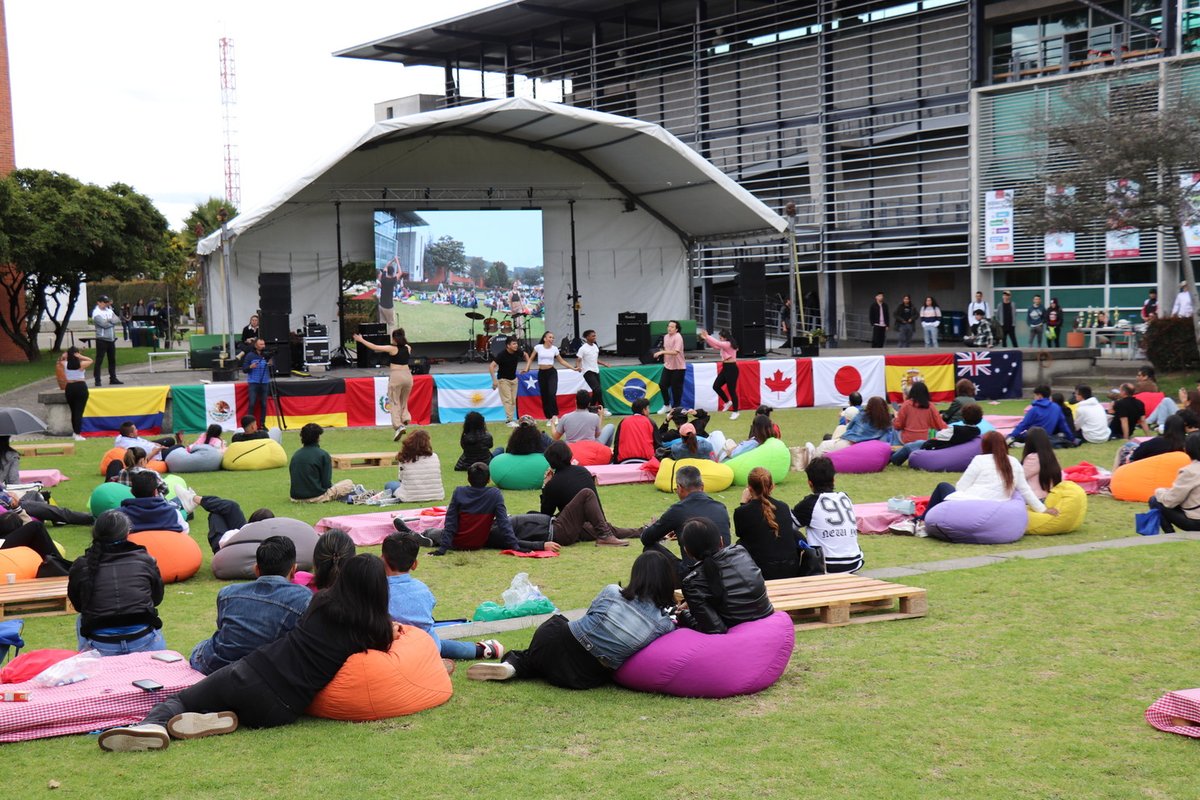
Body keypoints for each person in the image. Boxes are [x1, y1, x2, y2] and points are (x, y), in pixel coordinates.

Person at [98, 554, 396, 751]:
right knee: (228, 703)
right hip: (281, 711)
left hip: (253, 673)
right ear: (379, 589)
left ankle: (153, 727)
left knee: (182, 699)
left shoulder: (321, 603)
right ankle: (222, 719)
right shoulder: (375, 630)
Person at [466, 551, 676, 687]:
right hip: (584, 676)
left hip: (555, 641)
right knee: (550, 658)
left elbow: (590, 617)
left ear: (636, 574)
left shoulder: (612, 592)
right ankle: (514, 667)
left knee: (557, 627)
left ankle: (512, 666)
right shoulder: (664, 624)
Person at [189, 537, 313, 675]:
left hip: (218, 666)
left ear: (256, 569)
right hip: (265, 672)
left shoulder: (228, 593)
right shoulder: (304, 598)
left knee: (202, 647)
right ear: (293, 570)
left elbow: (223, 630)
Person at [381, 532, 504, 662]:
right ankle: (481, 650)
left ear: (381, 559)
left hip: (397, 651)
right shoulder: (421, 588)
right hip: (430, 646)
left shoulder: (377, 590)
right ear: (414, 564)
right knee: (436, 640)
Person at [912, 431, 1056, 537]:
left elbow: (961, 487)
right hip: (995, 507)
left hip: (972, 504)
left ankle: (920, 520)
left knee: (943, 486)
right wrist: (1042, 509)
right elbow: (1025, 491)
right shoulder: (1013, 462)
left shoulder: (979, 460)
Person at [68, 510, 165, 656]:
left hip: (100, 643)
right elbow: (156, 598)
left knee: (81, 619)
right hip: (144, 639)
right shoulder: (145, 559)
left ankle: (86, 656)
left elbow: (79, 605)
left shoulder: (81, 565)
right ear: (127, 532)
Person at [428, 463, 556, 554]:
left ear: (468, 478)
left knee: (430, 531)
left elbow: (450, 522)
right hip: (478, 543)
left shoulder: (459, 492)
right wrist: (516, 546)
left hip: (457, 542)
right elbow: (503, 524)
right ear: (488, 479)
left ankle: (421, 536)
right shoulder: (494, 494)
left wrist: (443, 549)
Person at [674, 517, 773, 634]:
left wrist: (684, 616)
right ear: (721, 541)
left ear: (687, 551)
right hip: (769, 621)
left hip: (740, 638)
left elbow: (715, 629)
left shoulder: (692, 582)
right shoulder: (740, 552)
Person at [639, 464, 731, 579]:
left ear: (679, 487)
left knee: (650, 549)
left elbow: (646, 538)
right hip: (725, 570)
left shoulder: (678, 511)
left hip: (694, 574)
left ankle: (660, 592)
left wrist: (652, 527)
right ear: (702, 487)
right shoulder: (721, 508)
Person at [538, 441, 635, 547]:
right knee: (607, 528)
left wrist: (545, 487)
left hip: (577, 528)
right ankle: (641, 531)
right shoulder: (583, 471)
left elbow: (546, 516)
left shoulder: (553, 484)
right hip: (598, 521)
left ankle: (611, 534)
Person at [792, 456, 864, 573]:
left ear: (810, 483)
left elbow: (788, 526)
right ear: (833, 480)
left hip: (828, 564)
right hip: (855, 561)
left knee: (793, 534)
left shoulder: (810, 503)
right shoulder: (845, 497)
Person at [733, 467, 800, 580]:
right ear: (772, 486)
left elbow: (741, 534)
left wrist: (743, 503)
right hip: (790, 568)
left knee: (740, 543)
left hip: (761, 572)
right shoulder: (783, 507)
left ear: (749, 488)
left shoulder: (742, 512)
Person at [353, 328, 413, 441]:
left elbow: (375, 347)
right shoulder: (408, 348)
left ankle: (398, 426)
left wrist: (361, 340)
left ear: (395, 339)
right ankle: (406, 417)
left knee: (394, 401)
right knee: (404, 400)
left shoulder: (392, 349)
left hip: (397, 376)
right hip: (408, 376)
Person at [1148, 431, 1200, 533]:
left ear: (1187, 449)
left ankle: (1170, 534)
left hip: (1196, 521)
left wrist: (1159, 491)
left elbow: (1170, 501)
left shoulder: (1189, 471)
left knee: (1155, 500)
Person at [289, 423, 354, 503]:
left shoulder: (296, 455)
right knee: (348, 483)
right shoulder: (323, 455)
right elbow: (326, 484)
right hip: (317, 497)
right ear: (318, 438)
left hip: (295, 498)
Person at [524, 331, 573, 425]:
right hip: (542, 373)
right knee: (544, 395)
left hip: (551, 372)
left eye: (553, 338)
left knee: (551, 393)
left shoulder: (554, 349)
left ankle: (555, 415)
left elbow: (561, 361)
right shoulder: (538, 348)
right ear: (545, 338)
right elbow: (530, 358)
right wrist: (526, 368)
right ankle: (549, 417)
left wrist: (573, 368)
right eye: (550, 337)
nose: (552, 339)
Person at [384, 429, 444, 503]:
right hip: (437, 495)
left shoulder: (405, 458)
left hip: (409, 497)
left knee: (390, 485)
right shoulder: (434, 456)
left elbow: (401, 478)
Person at [120, 471, 187, 534]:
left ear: (132, 491)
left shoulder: (119, 515)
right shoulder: (173, 513)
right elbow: (185, 531)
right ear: (155, 492)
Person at [1008, 385, 1076, 445]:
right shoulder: (1056, 407)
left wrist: (1011, 436)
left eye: (1035, 395)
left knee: (1019, 437)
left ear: (1039, 395)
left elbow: (1023, 425)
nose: (1034, 397)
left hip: (1032, 437)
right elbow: (1063, 425)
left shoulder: (1034, 409)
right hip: (1048, 437)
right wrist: (1071, 438)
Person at [698, 327, 740, 419]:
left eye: (721, 337)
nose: (719, 339)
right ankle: (727, 402)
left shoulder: (728, 344)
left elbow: (718, 343)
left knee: (732, 390)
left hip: (732, 368)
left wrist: (707, 336)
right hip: (725, 368)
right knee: (716, 386)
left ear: (725, 337)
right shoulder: (724, 344)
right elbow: (715, 346)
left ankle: (736, 411)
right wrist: (706, 338)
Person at [610, 397, 661, 463]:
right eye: (648, 408)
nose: (649, 411)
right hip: (646, 461)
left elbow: (617, 444)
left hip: (624, 461)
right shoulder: (650, 422)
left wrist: (616, 463)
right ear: (644, 410)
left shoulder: (624, 421)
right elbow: (658, 445)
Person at [58, 347, 93, 441]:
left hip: (70, 387)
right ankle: (78, 433)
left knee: (73, 411)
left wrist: (64, 356)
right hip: (80, 386)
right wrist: (80, 356)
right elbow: (90, 360)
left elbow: (60, 360)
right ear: (76, 354)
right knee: (79, 412)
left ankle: (75, 432)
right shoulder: (81, 364)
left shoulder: (65, 364)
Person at [1020, 427, 1063, 500]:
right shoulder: (1052, 456)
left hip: (1035, 498)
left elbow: (1019, 477)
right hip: (1051, 496)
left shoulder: (1033, 458)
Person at [489, 336, 523, 427]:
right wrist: (494, 380)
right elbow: (491, 366)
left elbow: (526, 355)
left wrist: (527, 367)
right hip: (503, 380)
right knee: (507, 400)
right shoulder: (501, 355)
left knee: (512, 400)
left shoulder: (517, 352)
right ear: (508, 345)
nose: (516, 345)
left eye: (516, 343)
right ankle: (509, 420)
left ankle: (511, 419)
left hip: (514, 380)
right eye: (514, 344)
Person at [575, 328, 611, 414]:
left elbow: (595, 360)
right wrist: (578, 367)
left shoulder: (595, 346)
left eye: (595, 335)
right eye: (593, 336)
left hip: (596, 371)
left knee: (596, 391)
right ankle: (603, 409)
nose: (595, 337)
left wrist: (604, 364)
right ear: (587, 337)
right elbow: (578, 359)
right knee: (598, 389)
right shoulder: (583, 348)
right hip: (587, 371)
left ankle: (590, 408)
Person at [654, 320, 686, 414]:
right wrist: (661, 354)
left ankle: (676, 409)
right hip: (668, 365)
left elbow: (676, 352)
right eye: (668, 326)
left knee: (676, 388)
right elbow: (666, 349)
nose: (669, 328)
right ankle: (667, 405)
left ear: (676, 329)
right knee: (662, 384)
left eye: (672, 327)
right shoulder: (665, 337)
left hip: (678, 367)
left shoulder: (678, 337)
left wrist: (662, 352)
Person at [90, 294, 122, 386]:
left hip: (111, 339)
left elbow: (117, 319)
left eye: (106, 302)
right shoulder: (96, 313)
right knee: (99, 359)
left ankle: (113, 378)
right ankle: (97, 379)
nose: (106, 304)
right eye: (104, 302)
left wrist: (110, 321)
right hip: (102, 339)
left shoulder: (109, 310)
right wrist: (111, 322)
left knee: (112, 360)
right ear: (99, 303)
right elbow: (103, 324)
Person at [241, 339, 273, 429]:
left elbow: (273, 368)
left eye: (264, 344)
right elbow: (244, 369)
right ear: (256, 345)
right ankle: (248, 425)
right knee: (252, 403)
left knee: (264, 404)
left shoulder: (267, 355)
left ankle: (262, 424)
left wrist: (271, 363)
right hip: (253, 382)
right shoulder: (250, 356)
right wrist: (250, 367)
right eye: (261, 344)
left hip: (265, 382)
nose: (263, 346)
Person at [377, 262, 399, 329]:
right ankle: (389, 338)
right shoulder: (393, 280)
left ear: (387, 272)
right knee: (391, 324)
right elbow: (400, 272)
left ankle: (382, 338)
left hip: (381, 305)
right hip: (388, 306)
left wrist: (392, 260)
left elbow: (385, 266)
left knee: (382, 323)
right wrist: (397, 261)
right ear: (393, 273)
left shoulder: (383, 278)